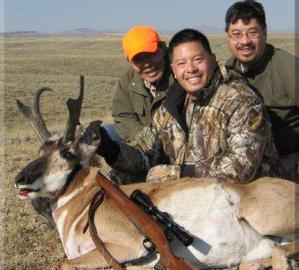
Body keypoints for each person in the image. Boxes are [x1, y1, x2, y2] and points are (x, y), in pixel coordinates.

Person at [81, 29, 284, 184]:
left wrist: (175, 173)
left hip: (249, 198)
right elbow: (145, 154)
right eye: (182, 63)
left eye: (197, 60)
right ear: (174, 71)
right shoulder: (171, 106)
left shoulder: (242, 101)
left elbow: (239, 171)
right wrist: (109, 148)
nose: (191, 69)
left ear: (212, 60)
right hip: (195, 194)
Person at [225, 0, 299, 179]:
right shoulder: (228, 69)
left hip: (288, 158)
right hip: (248, 161)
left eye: (253, 32)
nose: (245, 41)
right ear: (227, 36)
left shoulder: (289, 68)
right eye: (237, 34)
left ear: (265, 33)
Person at [110, 25, 173, 142]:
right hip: (147, 141)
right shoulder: (129, 80)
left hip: (178, 144)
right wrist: (144, 138)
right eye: (138, 59)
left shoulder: (181, 71)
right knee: (106, 133)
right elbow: (122, 115)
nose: (146, 64)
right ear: (131, 62)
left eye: (150, 55)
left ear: (163, 49)